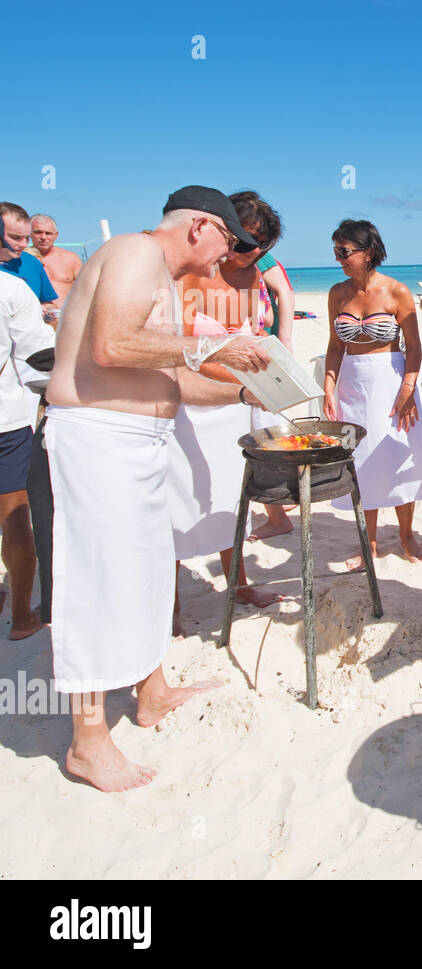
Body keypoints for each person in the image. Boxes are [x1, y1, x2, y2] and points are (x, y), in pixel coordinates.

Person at [44, 184, 269, 791]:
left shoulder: (163, 281)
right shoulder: (133, 253)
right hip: (98, 437)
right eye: (229, 239)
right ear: (200, 226)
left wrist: (247, 393)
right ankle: (87, 742)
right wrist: (216, 341)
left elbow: (175, 382)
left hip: (140, 443)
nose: (231, 254)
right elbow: (110, 346)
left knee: (145, 571)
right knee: (98, 578)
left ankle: (152, 690)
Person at [168, 196, 283, 632]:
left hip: (235, 400)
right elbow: (179, 350)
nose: (252, 252)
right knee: (181, 498)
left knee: (231, 495)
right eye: (247, 243)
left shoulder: (252, 274)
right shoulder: (188, 272)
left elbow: (249, 334)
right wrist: (238, 377)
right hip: (190, 400)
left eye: (260, 246)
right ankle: (172, 604)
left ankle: (239, 583)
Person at [322, 219, 422, 571]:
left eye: (345, 251)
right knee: (361, 462)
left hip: (392, 380)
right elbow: (334, 347)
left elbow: (414, 347)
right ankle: (367, 543)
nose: (339, 258)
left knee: (396, 455)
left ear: (368, 252)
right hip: (352, 385)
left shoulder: (396, 291)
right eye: (336, 251)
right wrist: (328, 387)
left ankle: (406, 535)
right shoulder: (337, 293)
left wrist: (407, 389)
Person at [230, 191, 298, 542]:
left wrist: (283, 340)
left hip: (256, 358)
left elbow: (283, 294)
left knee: (265, 433)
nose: (252, 249)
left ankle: (276, 509)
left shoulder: (256, 262)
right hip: (235, 361)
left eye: (259, 243)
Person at [0, 270, 55, 639]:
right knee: (16, 518)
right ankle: (21, 616)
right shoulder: (9, 287)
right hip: (6, 420)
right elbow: (40, 353)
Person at [0, 203, 60, 323]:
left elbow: (49, 304)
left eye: (27, 238)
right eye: (15, 237)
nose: (23, 244)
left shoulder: (33, 263)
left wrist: (43, 310)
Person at [28, 214, 82, 303]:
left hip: (65, 314)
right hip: (35, 315)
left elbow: (86, 290)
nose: (43, 237)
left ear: (56, 235)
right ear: (29, 233)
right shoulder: (21, 260)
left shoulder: (71, 259)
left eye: (48, 233)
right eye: (38, 232)